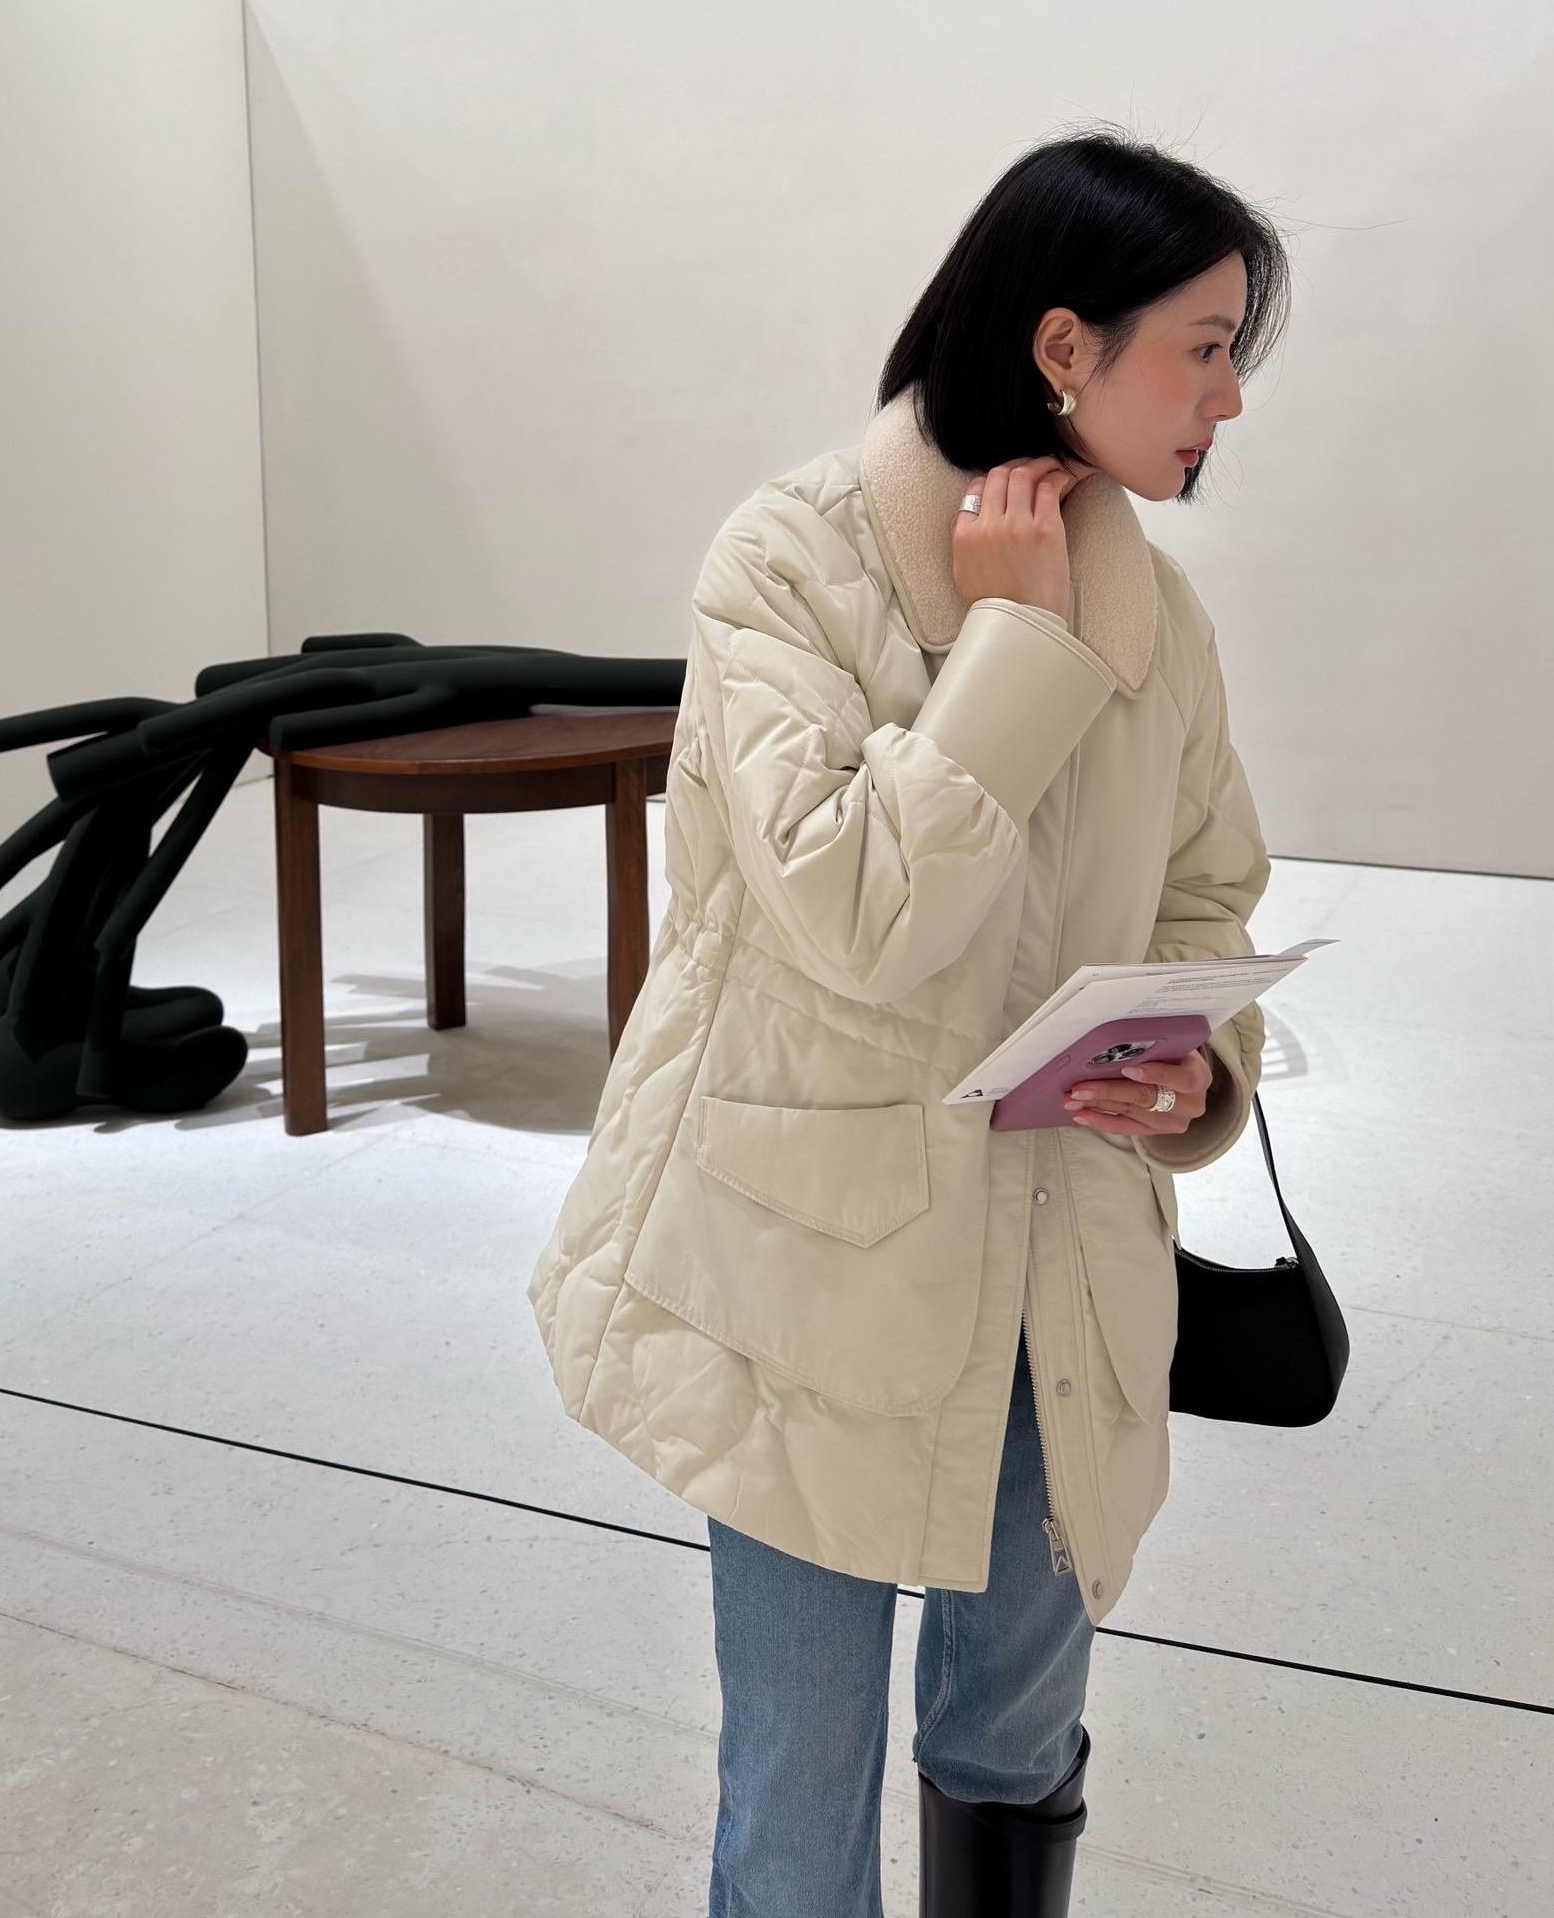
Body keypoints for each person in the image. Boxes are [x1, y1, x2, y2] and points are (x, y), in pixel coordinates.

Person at [528, 130, 1290, 1917]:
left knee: (1016, 1748)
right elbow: (857, 915)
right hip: (816, 1276)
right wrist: (1015, 650)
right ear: (1064, 348)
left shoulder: (1157, 610)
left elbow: (1206, 890)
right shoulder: (791, 563)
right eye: (1206, 347)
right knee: (798, 1809)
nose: (1231, 398)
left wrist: (1195, 1072)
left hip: (1063, 1268)